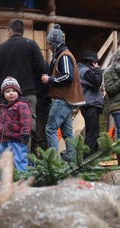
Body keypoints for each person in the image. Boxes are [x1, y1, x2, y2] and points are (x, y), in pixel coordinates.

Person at [0, 19, 46, 151]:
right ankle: (23, 163)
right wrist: (34, 86)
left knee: (5, 127)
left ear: (10, 31)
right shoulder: (31, 45)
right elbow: (42, 67)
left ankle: (7, 162)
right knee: (27, 129)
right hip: (28, 94)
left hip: (6, 96)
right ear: (22, 31)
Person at [41, 24, 85, 161]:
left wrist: (50, 79)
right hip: (67, 99)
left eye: (49, 43)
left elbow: (68, 75)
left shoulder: (64, 56)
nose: (48, 46)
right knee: (67, 132)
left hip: (63, 99)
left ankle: (53, 161)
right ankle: (72, 159)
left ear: (54, 43)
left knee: (50, 129)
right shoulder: (62, 54)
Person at [0, 76, 32, 172]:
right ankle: (0, 179)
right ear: (3, 95)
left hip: (17, 140)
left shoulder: (22, 105)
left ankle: (22, 177)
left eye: (14, 91)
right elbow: (0, 125)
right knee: (0, 159)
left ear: (18, 92)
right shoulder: (3, 108)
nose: (11, 93)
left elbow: (26, 121)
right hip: (4, 140)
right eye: (7, 91)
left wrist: (25, 134)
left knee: (19, 159)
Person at [77, 50, 104, 156]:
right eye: (96, 62)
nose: (97, 64)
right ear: (92, 62)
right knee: (92, 134)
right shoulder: (85, 71)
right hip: (90, 105)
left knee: (93, 133)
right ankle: (88, 160)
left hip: (89, 104)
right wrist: (97, 70)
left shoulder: (82, 70)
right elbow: (97, 81)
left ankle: (93, 158)